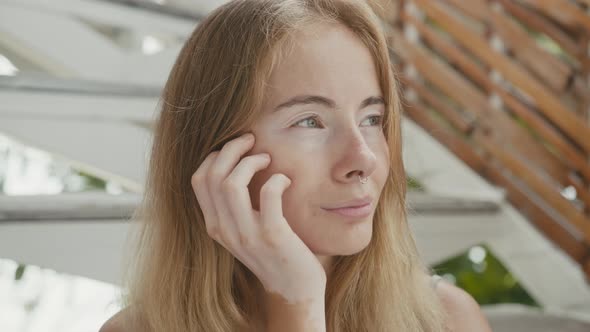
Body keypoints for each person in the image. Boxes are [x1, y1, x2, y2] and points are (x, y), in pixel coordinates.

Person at [100, 0, 493, 331]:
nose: (363, 159)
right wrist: (297, 299)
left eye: (371, 119)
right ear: (218, 154)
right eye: (310, 121)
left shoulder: (446, 321)